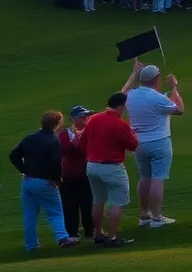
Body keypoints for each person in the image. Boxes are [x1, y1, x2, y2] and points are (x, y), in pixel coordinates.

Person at [122, 62, 184, 226]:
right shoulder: (158, 97)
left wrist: (133, 74)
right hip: (159, 142)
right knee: (158, 179)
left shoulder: (131, 95)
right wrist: (174, 87)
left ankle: (144, 215)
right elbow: (179, 109)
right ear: (156, 78)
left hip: (138, 144)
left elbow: (122, 92)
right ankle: (157, 217)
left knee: (144, 178)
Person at [9, 110, 79, 250]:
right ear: (57, 124)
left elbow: (14, 155)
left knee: (30, 215)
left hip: (28, 181)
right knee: (55, 211)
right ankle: (62, 238)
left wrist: (24, 170)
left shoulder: (30, 138)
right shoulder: (53, 141)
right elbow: (56, 163)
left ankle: (31, 245)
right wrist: (57, 179)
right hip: (45, 182)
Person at [79, 92, 139, 246]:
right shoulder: (120, 124)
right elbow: (133, 145)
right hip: (112, 168)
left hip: (92, 166)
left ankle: (98, 235)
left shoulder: (93, 119)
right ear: (120, 106)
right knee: (117, 202)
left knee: (98, 200)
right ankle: (112, 237)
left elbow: (82, 142)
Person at [57, 105, 94, 239]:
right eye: (82, 117)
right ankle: (72, 232)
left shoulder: (91, 131)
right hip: (69, 175)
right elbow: (64, 151)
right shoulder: (65, 134)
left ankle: (91, 230)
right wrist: (75, 143)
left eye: (87, 116)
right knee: (70, 206)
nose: (86, 119)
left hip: (88, 174)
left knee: (89, 203)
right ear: (74, 118)